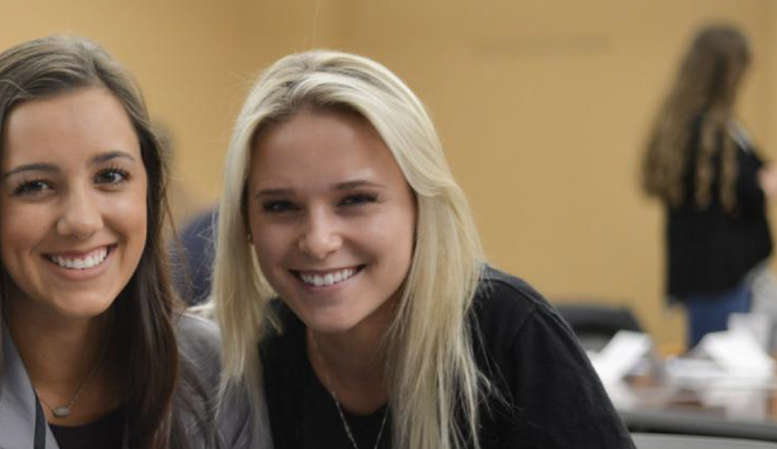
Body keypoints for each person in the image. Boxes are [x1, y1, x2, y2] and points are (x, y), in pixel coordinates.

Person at [210, 50, 633, 449]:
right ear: (246, 223)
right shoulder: (252, 357)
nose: (319, 241)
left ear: (420, 204)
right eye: (281, 206)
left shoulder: (505, 333)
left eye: (356, 199)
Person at [0, 35, 258, 449]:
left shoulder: (219, 378)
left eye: (111, 176)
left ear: (149, 189)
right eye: (35, 186)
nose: (81, 221)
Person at [641, 24, 777, 349]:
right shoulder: (704, 132)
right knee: (718, 382)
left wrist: (773, 179)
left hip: (733, 278)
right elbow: (750, 190)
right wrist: (772, 183)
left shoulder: (715, 127)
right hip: (717, 282)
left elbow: (759, 172)